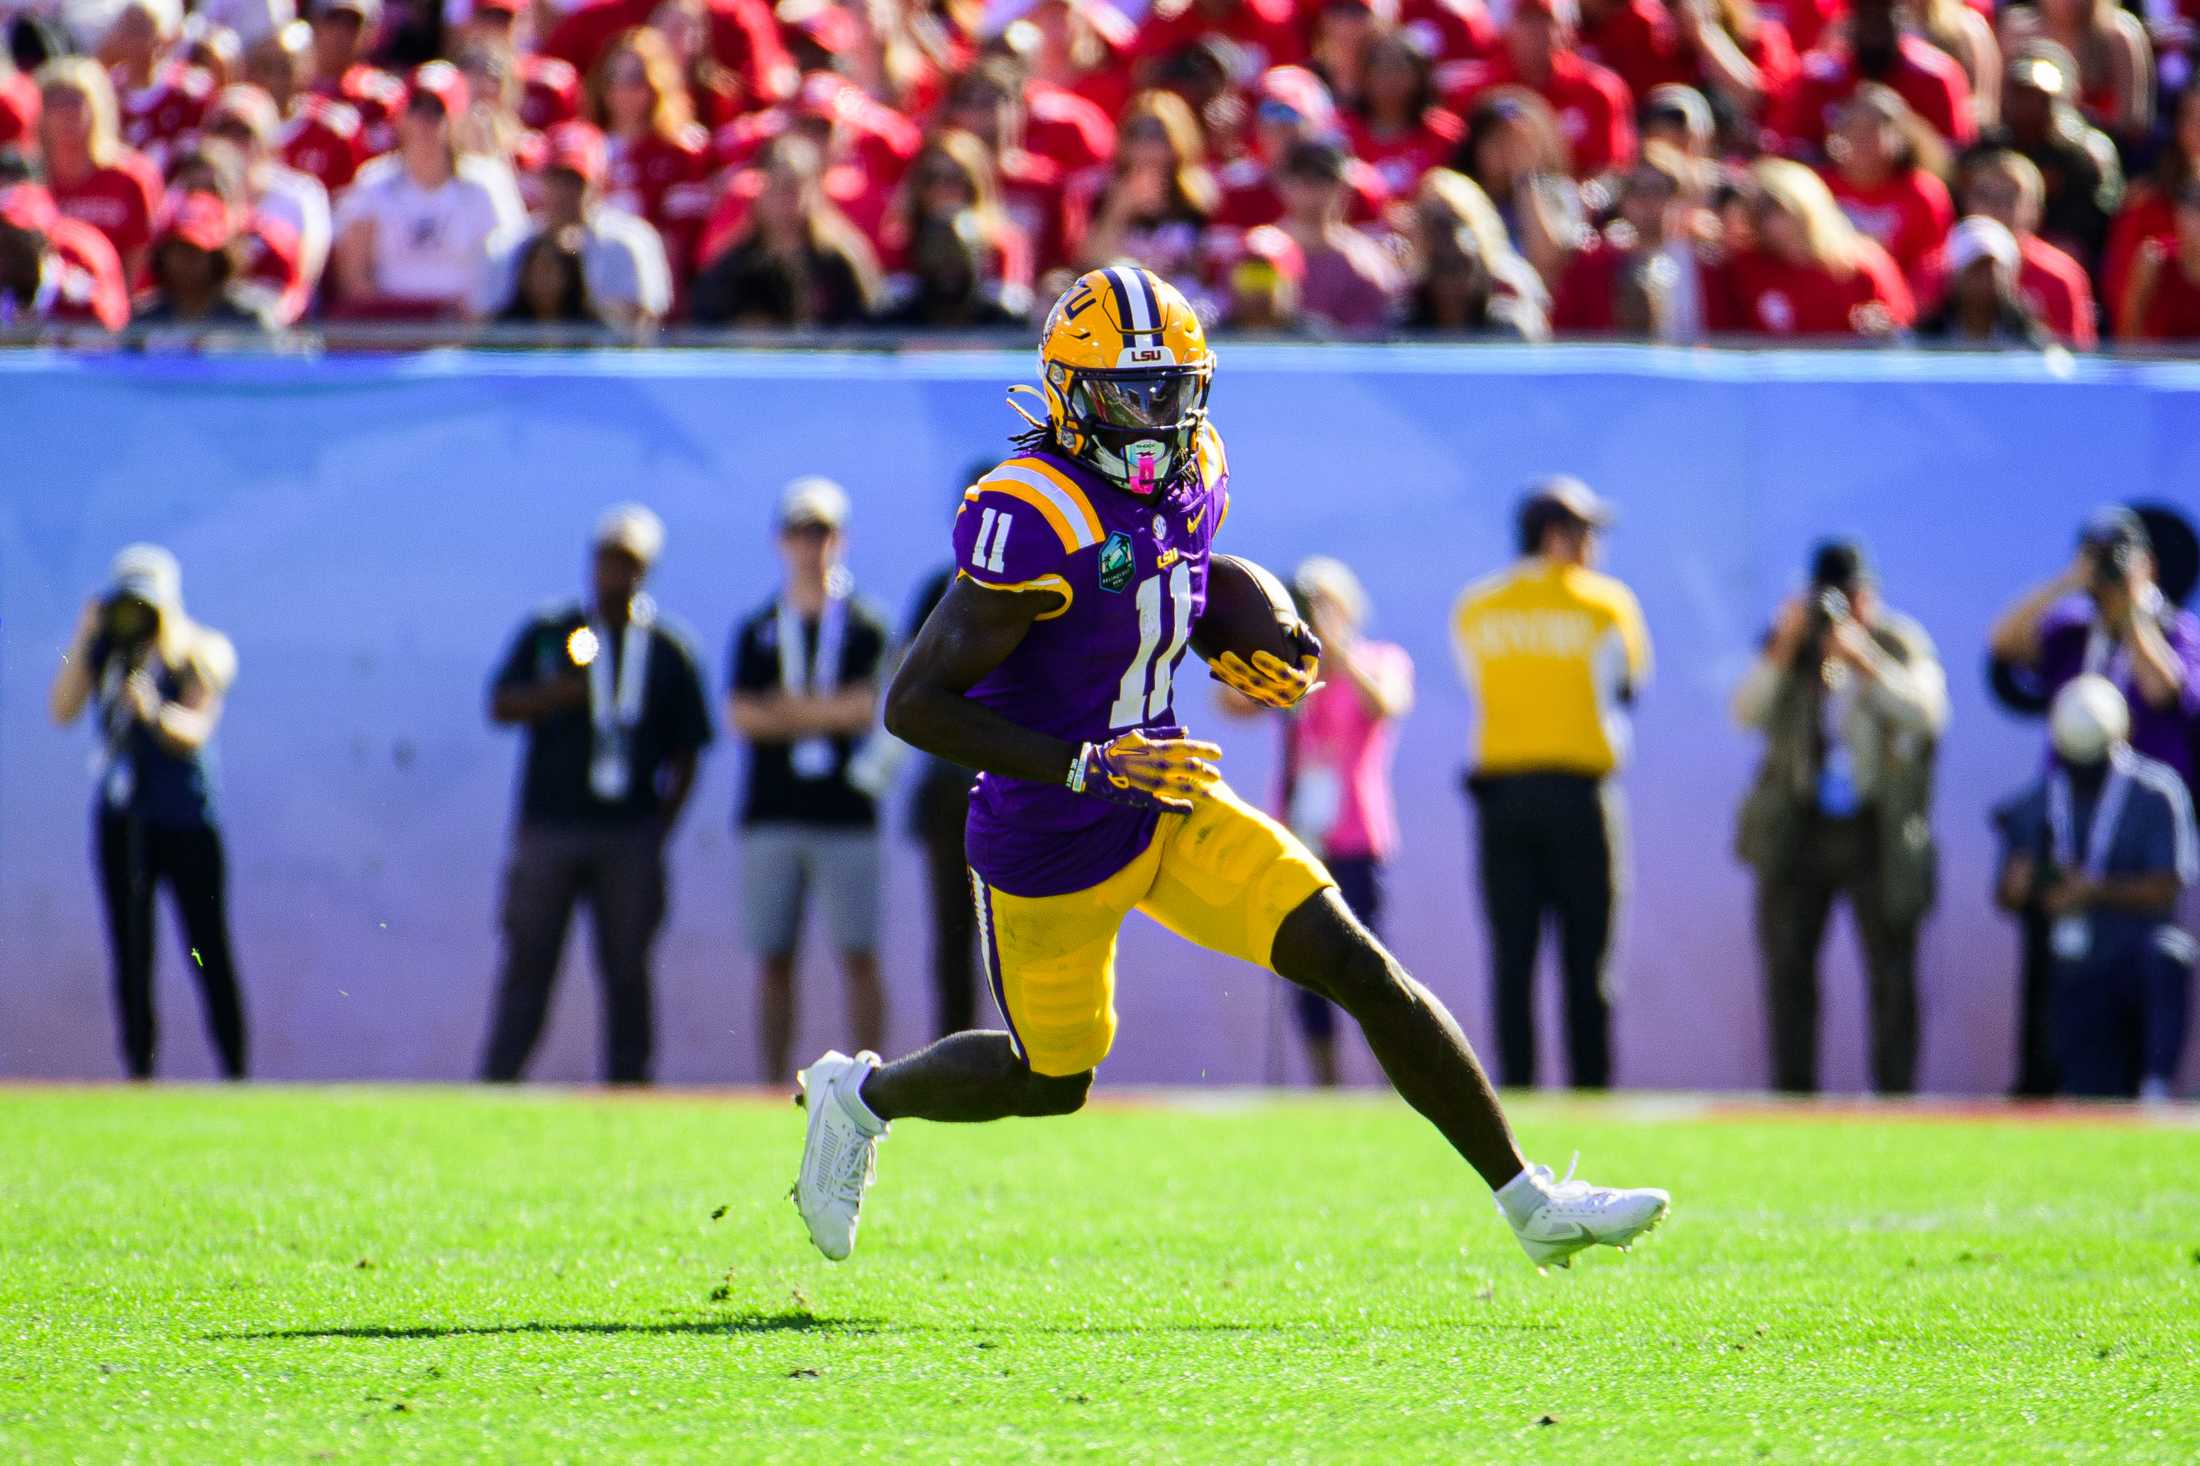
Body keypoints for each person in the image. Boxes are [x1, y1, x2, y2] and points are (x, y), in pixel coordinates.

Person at [785, 266, 1669, 1273]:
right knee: (1051, 1078)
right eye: (1134, 391)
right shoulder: (1034, 511)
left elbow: (1183, 571)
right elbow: (914, 705)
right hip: (1047, 838)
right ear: (1072, 396)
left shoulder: (1190, 467)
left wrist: (1253, 617)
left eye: (1174, 389)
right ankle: (861, 1100)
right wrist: (1084, 764)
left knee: (1358, 966)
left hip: (1168, 798)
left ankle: (1530, 1199)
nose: (1160, 416)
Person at [479, 505, 713, 1084]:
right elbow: (501, 702)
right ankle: (496, 1084)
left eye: (629, 563)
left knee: (628, 969)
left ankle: (629, 1090)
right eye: (608, 559)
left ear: (648, 571)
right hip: (551, 826)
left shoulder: (668, 648)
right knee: (529, 959)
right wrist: (557, 694)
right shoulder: (552, 630)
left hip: (628, 833)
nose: (615, 574)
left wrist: (660, 827)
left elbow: (690, 749)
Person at [1451, 477, 1650, 1091]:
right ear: (1557, 535)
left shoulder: (1477, 605)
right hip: (1579, 795)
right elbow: (1627, 687)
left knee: (1513, 958)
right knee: (1588, 959)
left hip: (1502, 797)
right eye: (1587, 532)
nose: (1595, 545)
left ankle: (1515, 1099)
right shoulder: (1605, 603)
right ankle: (1592, 1092)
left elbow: (1474, 681)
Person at [1732, 540, 1949, 1094]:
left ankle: (1896, 1094)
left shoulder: (1897, 641)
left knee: (1892, 973)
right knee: (1788, 967)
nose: (1843, 611)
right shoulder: (1791, 646)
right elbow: (1745, 711)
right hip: (1802, 828)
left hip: (1876, 828)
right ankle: (1793, 1092)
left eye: (1852, 598)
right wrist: (1785, 647)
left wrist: (1863, 659)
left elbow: (1926, 715)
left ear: (1868, 597)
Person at [47, 545, 245, 1080]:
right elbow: (61, 709)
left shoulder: (195, 651)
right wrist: (86, 638)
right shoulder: (105, 651)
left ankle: (236, 1072)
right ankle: (140, 1073)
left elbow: (196, 727)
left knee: (207, 949)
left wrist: (153, 710)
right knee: (132, 954)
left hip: (187, 823)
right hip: (122, 822)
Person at [1219, 557, 1414, 1086]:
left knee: (1370, 962)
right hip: (1299, 837)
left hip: (1356, 836)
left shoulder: (1379, 659)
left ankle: (1397, 1080)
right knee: (1306, 964)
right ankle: (1326, 1085)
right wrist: (1260, 645)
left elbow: (1387, 705)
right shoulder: (1292, 676)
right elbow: (1230, 705)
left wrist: (1337, 650)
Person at [727, 479, 891, 1084]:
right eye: (800, 531)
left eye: (821, 532)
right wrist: (826, 709)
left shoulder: (867, 624)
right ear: (781, 540)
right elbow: (740, 716)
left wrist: (786, 711)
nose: (810, 545)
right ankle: (771, 1085)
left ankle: (875, 1086)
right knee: (773, 958)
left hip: (847, 817)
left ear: (839, 539)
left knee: (860, 955)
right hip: (773, 814)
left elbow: (866, 707)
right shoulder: (757, 627)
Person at [1996, 677, 2194, 1100]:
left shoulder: (2156, 792)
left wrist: (2094, 891)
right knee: (2092, 1087)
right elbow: (2007, 894)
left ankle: (2156, 1086)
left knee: (2168, 953)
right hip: (2076, 966)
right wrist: (2023, 885)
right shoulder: (2043, 798)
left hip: (2134, 953)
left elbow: (2167, 887)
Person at [1989, 507, 2200, 789]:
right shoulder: (2075, 630)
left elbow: (2160, 692)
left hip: (2148, 801)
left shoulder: (2180, 631)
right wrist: (2070, 580)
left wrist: (2130, 608)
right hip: (2073, 793)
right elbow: (2003, 644)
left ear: (2149, 564)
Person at [330, 60, 527, 318]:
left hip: (465, 331)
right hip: (389, 332)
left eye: (436, 110)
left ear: (455, 117)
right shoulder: (374, 182)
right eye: (416, 107)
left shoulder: (485, 183)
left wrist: (472, 322)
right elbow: (354, 275)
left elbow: (507, 265)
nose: (424, 120)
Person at [487, 119, 670, 330]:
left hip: (606, 359)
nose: (564, 192)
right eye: (555, 178)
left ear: (598, 182)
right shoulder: (509, 244)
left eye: (575, 181)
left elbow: (644, 324)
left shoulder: (629, 242)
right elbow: (487, 324)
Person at [689, 134, 879, 327]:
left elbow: (864, 324)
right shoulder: (734, 264)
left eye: (794, 189)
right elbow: (707, 323)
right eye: (777, 188)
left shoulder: (838, 261)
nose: (785, 201)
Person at [1717, 157, 1914, 339]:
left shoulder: (1862, 265)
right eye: (1756, 211)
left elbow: (1904, 336)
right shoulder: (1747, 268)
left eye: (1774, 207)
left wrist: (1884, 329)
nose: (1767, 222)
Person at [36, 57, 164, 283]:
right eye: (56, 103)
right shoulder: (29, 179)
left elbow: (142, 254)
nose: (67, 113)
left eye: (76, 101)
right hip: (42, 310)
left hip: (118, 307)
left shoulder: (130, 177)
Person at [1957, 147, 2094, 349]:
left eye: (2010, 196)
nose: (1995, 207)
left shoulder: (2060, 277)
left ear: (2036, 211)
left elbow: (2074, 360)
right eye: (1984, 195)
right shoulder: (1943, 266)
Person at [1273, 135, 1402, 334]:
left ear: (1343, 188)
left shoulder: (1367, 260)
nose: (1312, 189)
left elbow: (1380, 331)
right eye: (1303, 179)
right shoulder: (1262, 252)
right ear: (1284, 184)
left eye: (1324, 178)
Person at [1914, 214, 2051, 347]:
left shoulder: (2030, 344)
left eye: (1995, 269)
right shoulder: (1924, 340)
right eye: (1977, 269)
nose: (1989, 277)